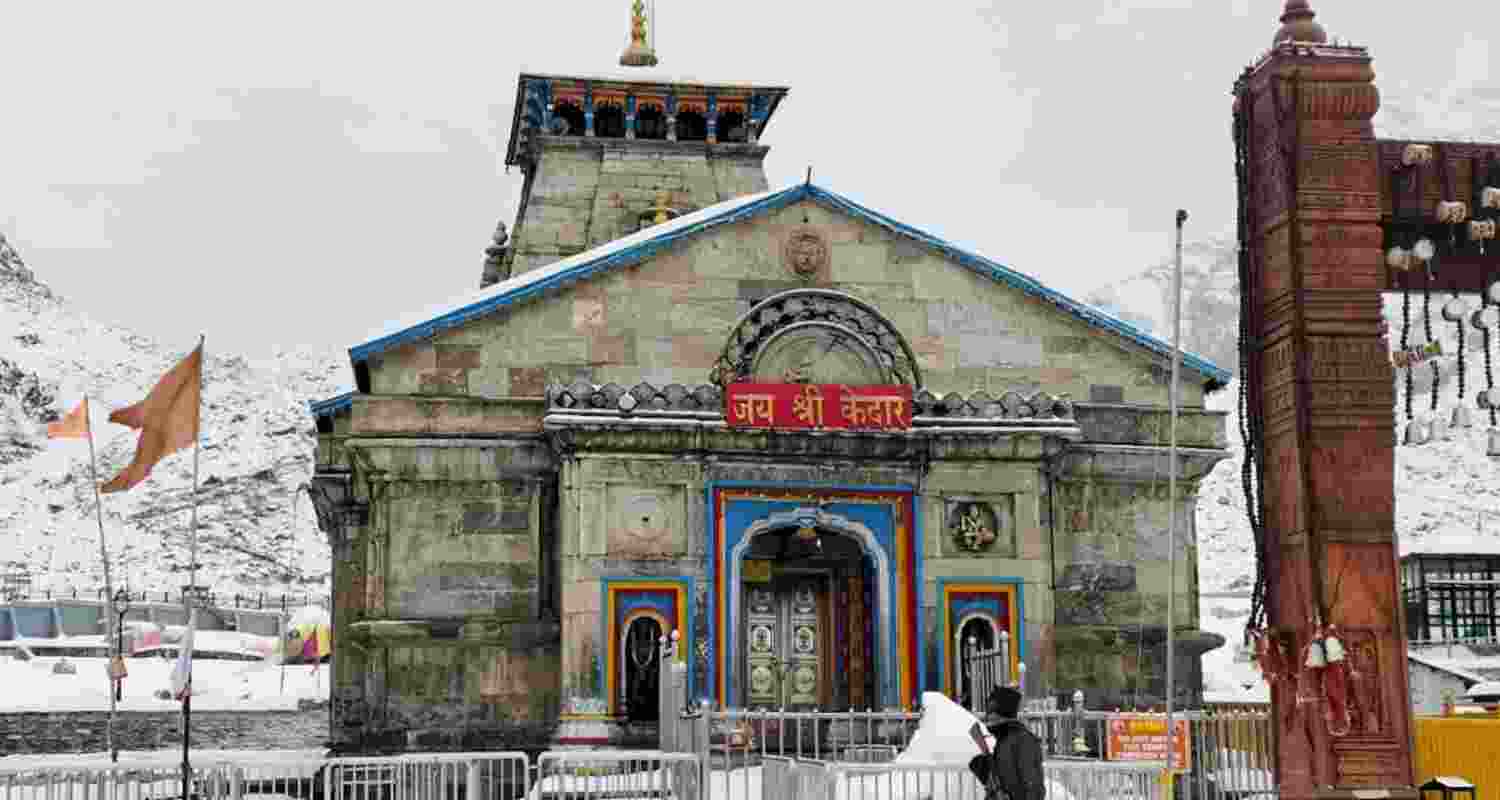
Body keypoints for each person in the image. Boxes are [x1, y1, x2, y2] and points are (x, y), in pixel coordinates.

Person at [968, 686, 1045, 800]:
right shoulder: (1004, 740)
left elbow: (1033, 786)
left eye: (992, 711)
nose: (988, 716)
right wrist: (987, 771)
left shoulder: (1021, 740)